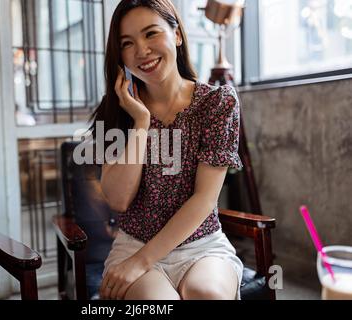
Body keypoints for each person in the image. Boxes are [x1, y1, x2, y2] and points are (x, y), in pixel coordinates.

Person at [88, 0, 244, 300]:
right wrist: (141, 121)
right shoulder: (115, 112)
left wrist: (141, 261)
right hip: (134, 243)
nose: (142, 51)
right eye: (127, 43)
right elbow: (119, 200)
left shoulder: (217, 104)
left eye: (151, 34)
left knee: (208, 294)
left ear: (177, 35)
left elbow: (204, 199)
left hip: (201, 244)